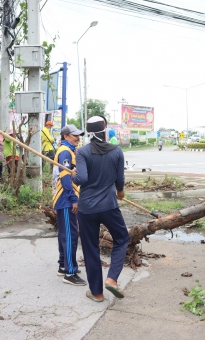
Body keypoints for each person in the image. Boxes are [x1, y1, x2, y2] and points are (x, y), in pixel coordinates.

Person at [73, 116, 129, 303]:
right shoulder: (117, 151)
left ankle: (96, 293)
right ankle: (112, 278)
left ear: (89, 134)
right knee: (122, 238)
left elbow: (82, 179)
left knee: (91, 248)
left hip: (87, 209)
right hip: (109, 206)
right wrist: (120, 192)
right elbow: (119, 180)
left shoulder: (83, 152)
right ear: (105, 132)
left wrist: (73, 176)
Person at [53, 124, 87, 286]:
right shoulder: (65, 151)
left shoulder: (67, 150)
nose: (77, 138)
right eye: (74, 135)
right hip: (66, 198)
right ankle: (70, 272)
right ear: (66, 136)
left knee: (65, 233)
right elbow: (65, 177)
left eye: (78, 135)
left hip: (63, 198)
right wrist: (73, 198)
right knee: (70, 235)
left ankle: (62, 265)